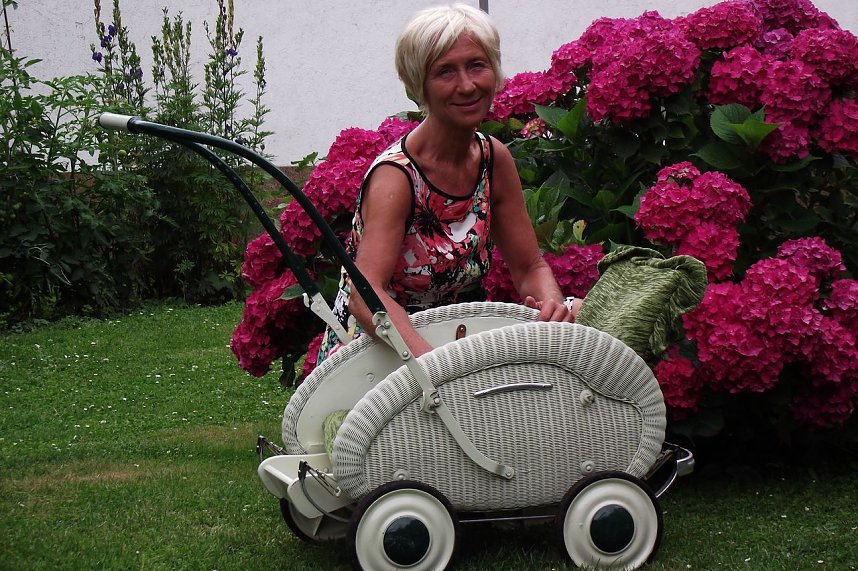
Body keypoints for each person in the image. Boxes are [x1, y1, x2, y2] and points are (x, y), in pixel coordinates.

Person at [318, 3, 580, 363]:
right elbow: (367, 294)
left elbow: (529, 267)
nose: (467, 85)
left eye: (477, 65)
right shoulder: (398, 177)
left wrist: (551, 306)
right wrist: (434, 367)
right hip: (380, 356)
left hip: (457, 341)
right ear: (419, 86)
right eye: (445, 72)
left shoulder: (493, 160)